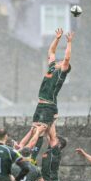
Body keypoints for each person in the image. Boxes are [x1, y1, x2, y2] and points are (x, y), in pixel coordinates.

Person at [23, 29, 73, 163]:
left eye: (62, 62)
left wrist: (69, 43)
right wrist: (57, 39)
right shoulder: (51, 68)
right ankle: (45, 154)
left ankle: (27, 151)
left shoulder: (61, 73)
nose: (60, 60)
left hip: (48, 106)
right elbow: (51, 52)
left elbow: (67, 58)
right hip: (41, 105)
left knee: (39, 130)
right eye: (60, 60)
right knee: (43, 133)